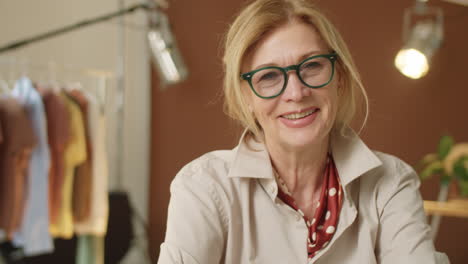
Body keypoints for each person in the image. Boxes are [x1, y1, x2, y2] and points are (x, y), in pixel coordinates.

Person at [157, 0, 450, 263]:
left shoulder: (391, 184)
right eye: (269, 76)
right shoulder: (204, 187)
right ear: (246, 95)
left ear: (339, 78)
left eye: (312, 66)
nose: (296, 93)